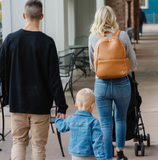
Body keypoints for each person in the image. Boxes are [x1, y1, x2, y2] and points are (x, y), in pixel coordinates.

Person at [0, 0, 68, 160]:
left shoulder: (10, 40)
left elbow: (0, 70)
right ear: (41, 16)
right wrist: (61, 107)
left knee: (18, 142)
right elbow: (54, 78)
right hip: (40, 106)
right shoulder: (48, 42)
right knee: (38, 146)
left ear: (24, 15)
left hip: (17, 103)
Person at [89, 6, 138, 160]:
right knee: (120, 118)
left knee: (105, 123)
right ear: (113, 18)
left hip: (101, 85)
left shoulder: (92, 38)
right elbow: (133, 63)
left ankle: (107, 156)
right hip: (122, 84)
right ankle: (120, 153)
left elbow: (93, 67)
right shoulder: (122, 35)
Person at [55, 88, 107, 160]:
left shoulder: (71, 119)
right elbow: (97, 142)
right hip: (89, 155)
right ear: (92, 105)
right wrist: (102, 158)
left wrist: (58, 120)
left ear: (76, 104)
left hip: (74, 155)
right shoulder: (94, 122)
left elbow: (61, 127)